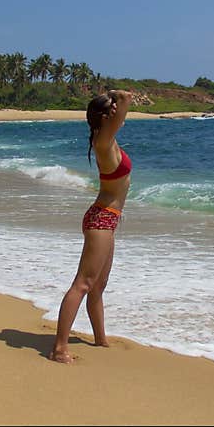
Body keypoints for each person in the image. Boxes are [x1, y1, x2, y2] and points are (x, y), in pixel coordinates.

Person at [50, 89, 134, 363]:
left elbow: (119, 113)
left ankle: (100, 339)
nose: (120, 118)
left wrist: (113, 105)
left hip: (107, 219)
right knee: (83, 283)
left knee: (99, 286)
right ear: (107, 116)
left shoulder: (108, 140)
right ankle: (59, 348)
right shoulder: (103, 142)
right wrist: (117, 97)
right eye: (114, 114)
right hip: (100, 219)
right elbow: (124, 102)